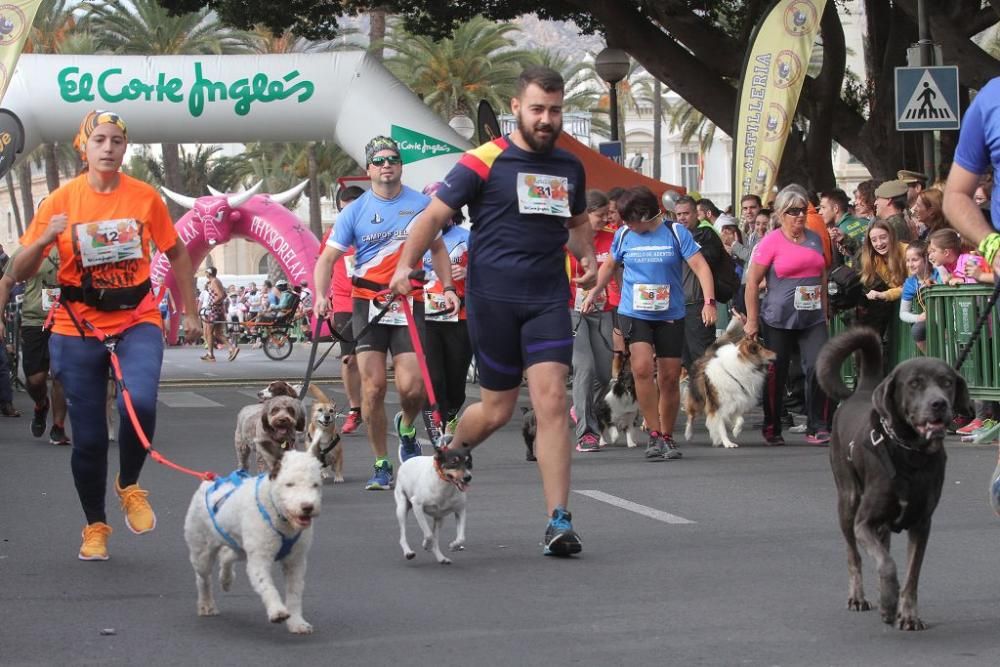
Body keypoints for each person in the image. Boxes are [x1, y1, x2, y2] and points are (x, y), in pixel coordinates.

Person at [388, 66, 597, 557]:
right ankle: (450, 451)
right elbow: (434, 216)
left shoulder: (570, 165)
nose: (547, 119)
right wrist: (404, 264)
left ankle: (559, 521)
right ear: (516, 108)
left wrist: (585, 256)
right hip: (494, 302)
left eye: (555, 110)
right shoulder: (483, 160)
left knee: (550, 402)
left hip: (548, 298)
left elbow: (578, 220)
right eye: (537, 109)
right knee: (498, 410)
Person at [10, 109, 200, 561]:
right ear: (84, 147)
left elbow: (177, 254)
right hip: (77, 325)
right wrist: (42, 240)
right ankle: (95, 524)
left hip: (138, 316)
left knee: (141, 401)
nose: (109, 148)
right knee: (91, 438)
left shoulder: (145, 197)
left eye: (117, 140)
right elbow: (19, 270)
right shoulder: (59, 201)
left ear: (125, 148)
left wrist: (191, 312)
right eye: (100, 140)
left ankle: (130, 485)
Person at [313, 135, 458, 491]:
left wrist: (449, 286)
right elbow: (327, 259)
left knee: (413, 389)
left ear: (401, 165)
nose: (386, 165)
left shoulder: (422, 204)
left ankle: (406, 426)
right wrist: (321, 295)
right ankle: (381, 463)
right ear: (369, 169)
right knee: (373, 387)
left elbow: (438, 249)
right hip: (368, 303)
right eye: (379, 161)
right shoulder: (355, 211)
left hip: (410, 301)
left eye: (393, 159)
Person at [582, 186, 716, 460]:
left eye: (629, 219)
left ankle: (667, 435)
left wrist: (709, 302)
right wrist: (595, 291)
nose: (624, 225)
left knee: (668, 377)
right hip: (635, 312)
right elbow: (609, 266)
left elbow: (701, 266)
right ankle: (653, 434)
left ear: (644, 214)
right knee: (642, 369)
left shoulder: (676, 233)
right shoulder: (623, 236)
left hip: (670, 315)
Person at [744, 184, 833, 446]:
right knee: (776, 372)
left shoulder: (815, 238)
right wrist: (751, 320)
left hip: (812, 317)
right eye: (793, 212)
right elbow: (752, 282)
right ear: (781, 214)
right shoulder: (770, 241)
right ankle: (772, 426)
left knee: (819, 366)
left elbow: (823, 275)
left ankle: (818, 425)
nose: (800, 216)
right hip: (778, 318)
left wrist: (825, 310)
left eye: (803, 211)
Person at [418, 181, 472, 444]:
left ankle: (451, 413)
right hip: (425, 317)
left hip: (459, 317)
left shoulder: (466, 237)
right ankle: (436, 426)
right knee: (434, 378)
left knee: (456, 382)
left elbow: (490, 273)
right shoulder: (416, 235)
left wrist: (469, 273)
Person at [0, 247, 70, 442]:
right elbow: (5, 282)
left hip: (66, 321)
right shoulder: (29, 248)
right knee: (36, 380)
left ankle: (58, 427)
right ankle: (41, 404)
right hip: (35, 321)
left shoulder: (72, 244)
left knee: (60, 374)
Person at [569, 190, 615, 452]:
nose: (606, 219)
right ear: (585, 215)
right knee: (584, 368)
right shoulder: (568, 239)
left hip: (603, 309)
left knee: (604, 374)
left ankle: (581, 406)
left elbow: (617, 275)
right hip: (571, 311)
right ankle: (586, 432)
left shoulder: (611, 238)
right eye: (601, 215)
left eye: (608, 215)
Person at [327, 185, 365, 434]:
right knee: (349, 359)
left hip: (374, 299)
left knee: (371, 358)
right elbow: (323, 264)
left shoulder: (377, 231)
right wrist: (322, 296)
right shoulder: (334, 233)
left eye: (352, 210)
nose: (346, 216)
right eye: (342, 211)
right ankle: (355, 409)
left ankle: (371, 404)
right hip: (344, 302)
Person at [677, 195, 723, 372]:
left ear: (697, 214)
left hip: (698, 305)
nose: (682, 218)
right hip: (678, 306)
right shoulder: (675, 235)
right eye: (678, 214)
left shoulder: (706, 233)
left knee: (703, 360)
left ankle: (708, 398)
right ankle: (696, 397)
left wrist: (709, 303)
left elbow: (708, 262)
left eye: (686, 213)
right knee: (687, 360)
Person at [855, 220, 906, 356]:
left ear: (892, 236)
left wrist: (884, 295)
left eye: (883, 237)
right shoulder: (873, 260)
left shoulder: (906, 251)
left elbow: (912, 286)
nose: (879, 243)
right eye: (874, 240)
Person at [898, 240, 931, 353]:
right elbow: (903, 313)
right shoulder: (910, 283)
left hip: (948, 319)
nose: (910, 264)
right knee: (917, 330)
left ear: (926, 259)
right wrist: (918, 318)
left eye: (915, 260)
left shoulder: (938, 273)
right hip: (928, 321)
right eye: (907, 260)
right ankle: (932, 357)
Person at [200, 266, 226, 362]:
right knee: (215, 333)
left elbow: (221, 295)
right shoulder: (215, 281)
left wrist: (212, 303)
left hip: (214, 310)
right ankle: (210, 354)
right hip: (216, 309)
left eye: (206, 272)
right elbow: (224, 294)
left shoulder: (214, 281)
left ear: (209, 273)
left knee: (210, 332)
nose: (205, 274)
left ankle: (231, 348)